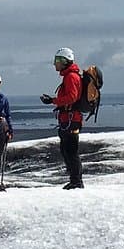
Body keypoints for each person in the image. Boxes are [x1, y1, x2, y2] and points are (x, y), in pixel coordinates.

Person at [40, 47, 84, 189]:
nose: (55, 64)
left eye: (57, 60)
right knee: (67, 150)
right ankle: (74, 180)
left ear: (65, 61)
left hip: (71, 119)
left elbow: (72, 97)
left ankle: (76, 181)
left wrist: (53, 101)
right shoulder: (70, 75)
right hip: (69, 119)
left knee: (70, 151)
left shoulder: (71, 76)